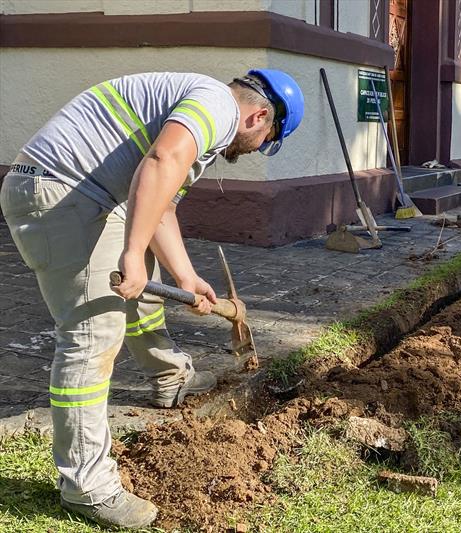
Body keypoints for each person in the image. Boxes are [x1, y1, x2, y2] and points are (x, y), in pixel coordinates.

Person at [0, 69, 304, 528]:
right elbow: (162, 160)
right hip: (62, 193)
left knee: (144, 291)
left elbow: (160, 204)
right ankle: (87, 486)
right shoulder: (218, 107)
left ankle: (169, 377)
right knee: (92, 333)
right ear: (259, 117)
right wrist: (131, 252)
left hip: (82, 192)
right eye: (267, 141)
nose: (256, 149)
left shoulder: (204, 112)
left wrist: (187, 276)